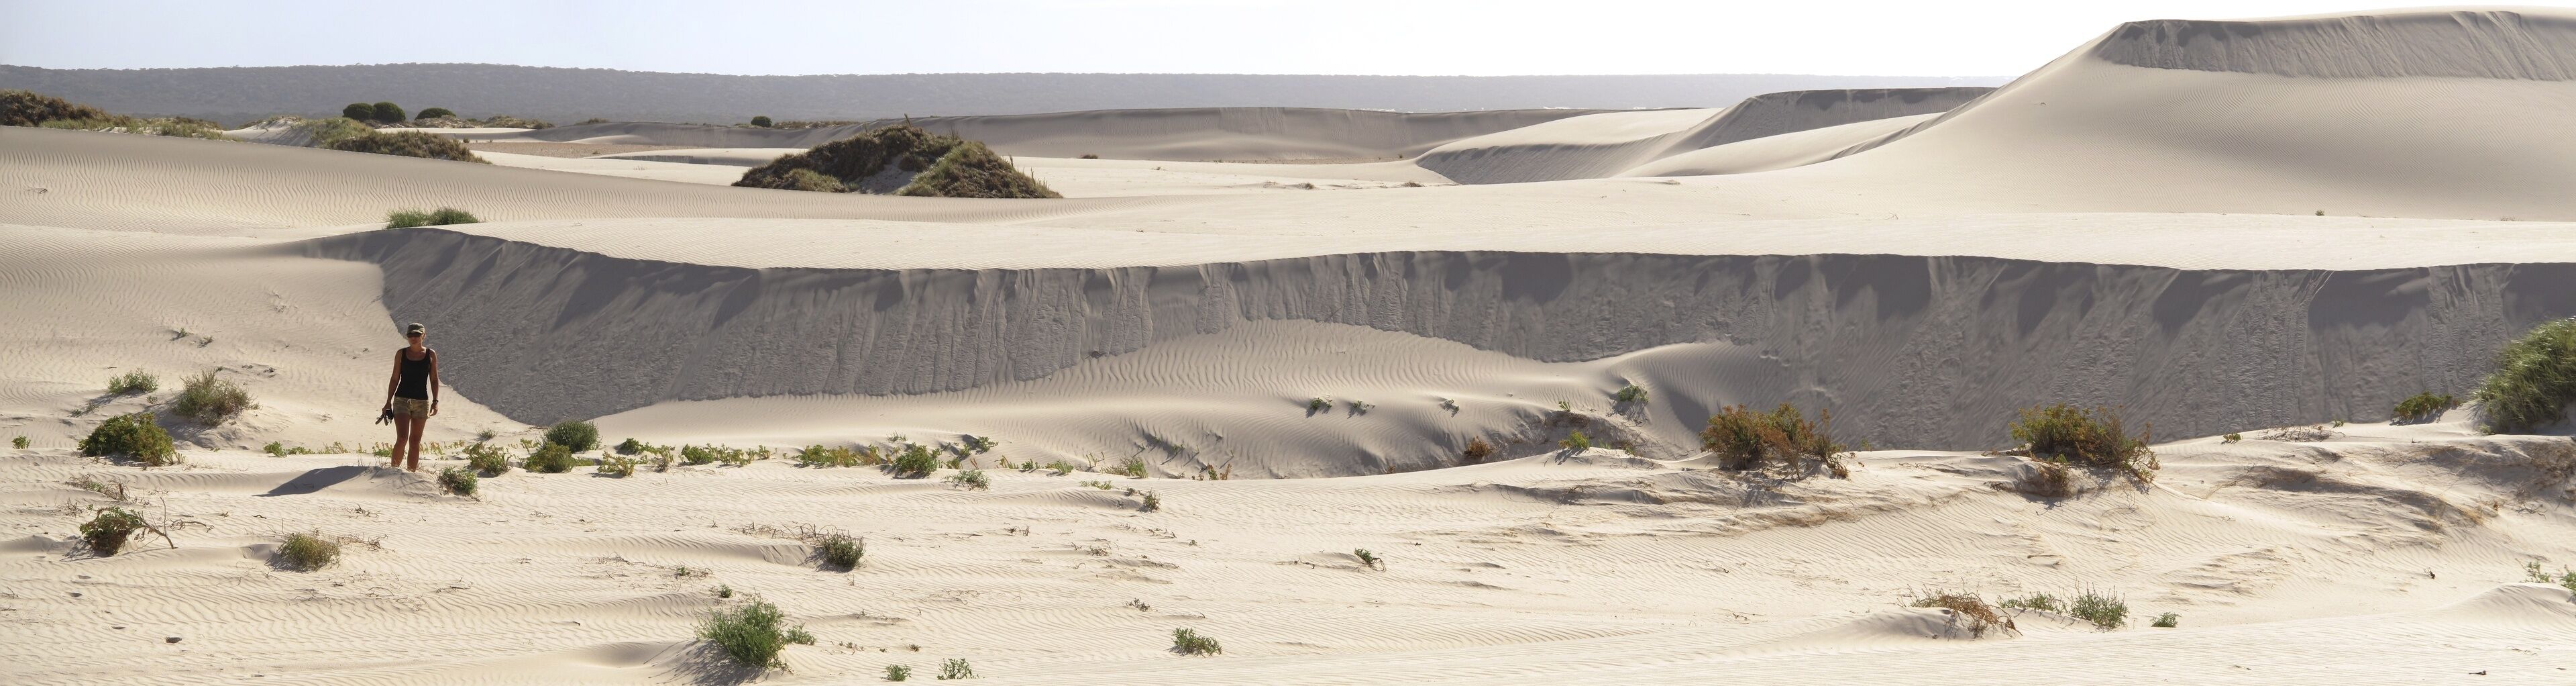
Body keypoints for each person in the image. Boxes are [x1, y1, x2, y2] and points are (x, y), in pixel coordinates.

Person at [381, 323, 440, 471]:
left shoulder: (430, 354)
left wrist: (435, 401)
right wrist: (388, 402)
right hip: (402, 399)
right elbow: (395, 378)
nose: (413, 338)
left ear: (423, 336)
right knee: (402, 438)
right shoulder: (401, 354)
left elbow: (434, 379)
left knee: (415, 441)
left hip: (422, 401)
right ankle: (393, 472)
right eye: (410, 335)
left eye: (417, 335)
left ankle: (410, 475)